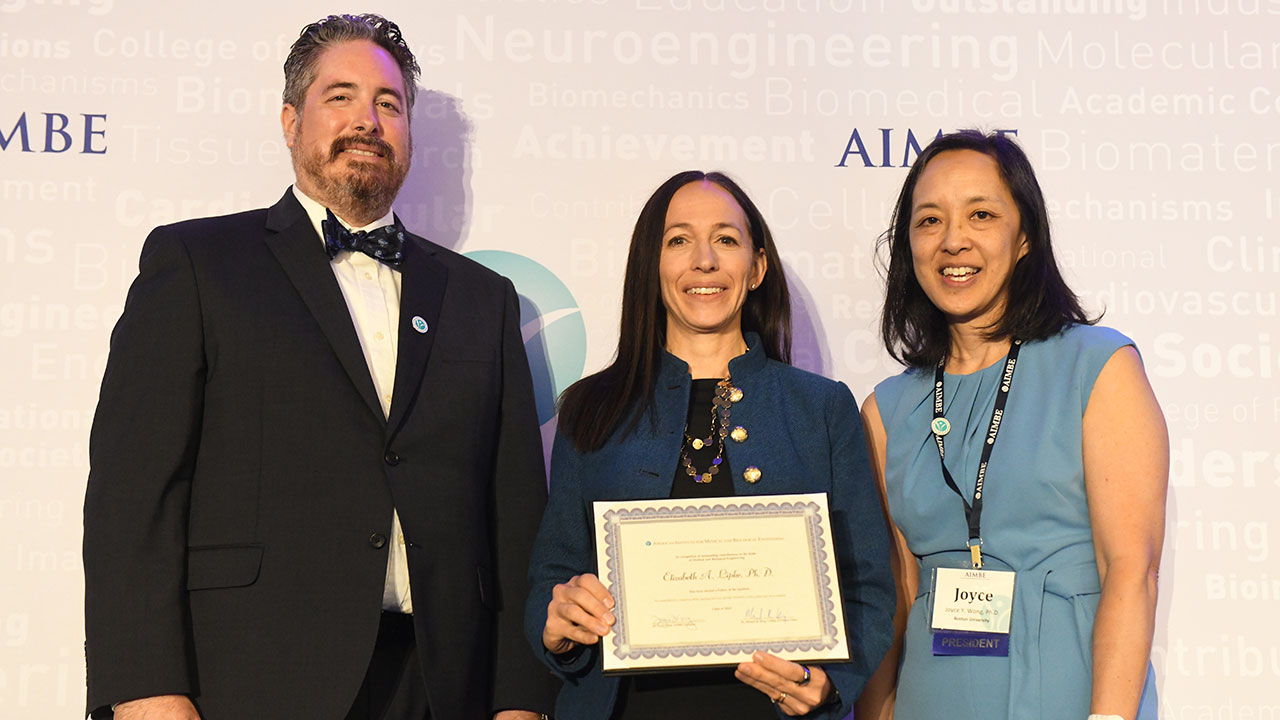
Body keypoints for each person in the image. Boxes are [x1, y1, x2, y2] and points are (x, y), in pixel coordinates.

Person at [83, 14, 555, 720]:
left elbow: (516, 513)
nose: (368, 120)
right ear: (290, 121)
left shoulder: (482, 299)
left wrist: (522, 699)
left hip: (441, 686)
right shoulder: (198, 264)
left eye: (388, 104)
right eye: (341, 97)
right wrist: (144, 686)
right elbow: (134, 493)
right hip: (248, 680)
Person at [525, 170, 895, 719]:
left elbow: (867, 583)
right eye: (678, 240)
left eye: (726, 239)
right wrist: (556, 624)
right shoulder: (589, 409)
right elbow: (552, 575)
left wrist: (832, 685)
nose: (705, 260)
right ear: (652, 266)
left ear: (757, 268)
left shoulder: (821, 407)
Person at [854, 130, 1165, 720]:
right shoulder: (886, 411)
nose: (953, 241)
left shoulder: (1097, 367)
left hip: (1070, 696)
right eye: (928, 221)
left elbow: (1131, 569)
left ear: (1023, 237)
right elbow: (897, 599)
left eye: (981, 214)